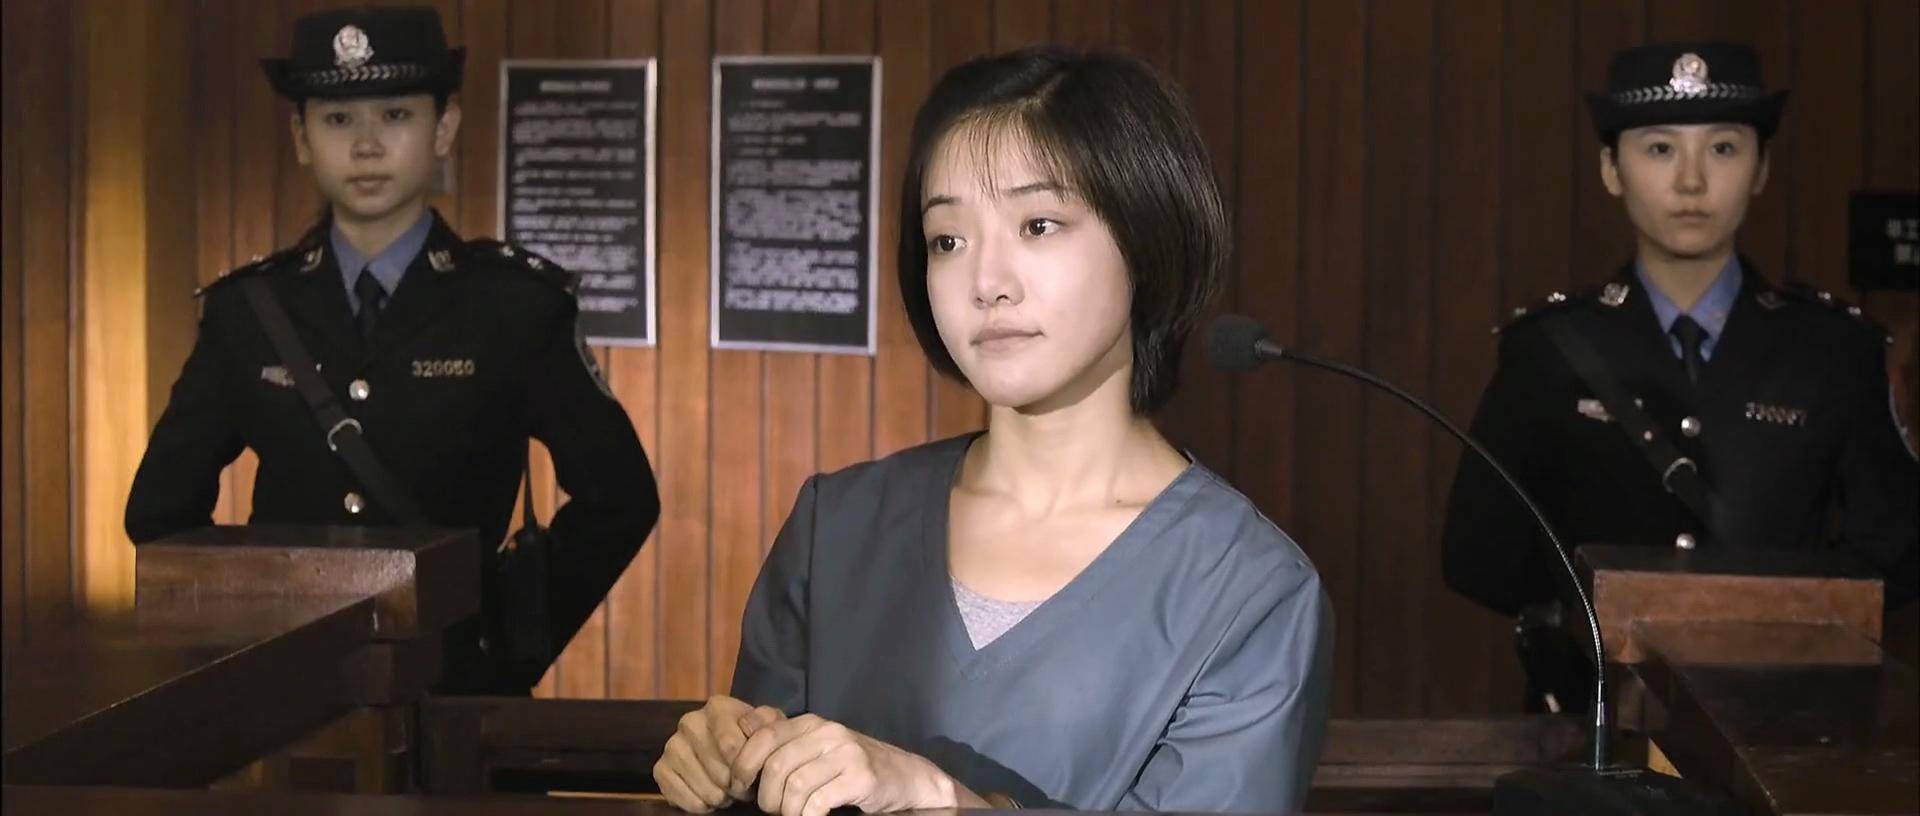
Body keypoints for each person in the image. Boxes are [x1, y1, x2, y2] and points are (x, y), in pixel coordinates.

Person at [651, 47, 1333, 815]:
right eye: (948, 240)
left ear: (1147, 238)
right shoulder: (834, 525)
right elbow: (767, 785)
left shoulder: (1252, 592)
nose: (987, 283)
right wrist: (723, 764)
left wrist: (941, 797)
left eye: (1038, 224)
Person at [124, 6, 659, 695]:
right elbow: (158, 513)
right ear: (301, 137)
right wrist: (242, 630)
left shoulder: (514, 308)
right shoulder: (249, 312)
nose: (367, 145)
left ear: (444, 128)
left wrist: (507, 637)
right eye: (338, 119)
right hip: (282, 695)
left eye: (396, 115)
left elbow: (621, 498)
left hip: (455, 690)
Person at [1440, 42, 1919, 712]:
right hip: (1591, 723)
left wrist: (1772, 623)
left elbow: (1896, 549)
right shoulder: (1549, 349)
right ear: (1612, 169)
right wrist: (1597, 617)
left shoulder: (1835, 349)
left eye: (1722, 149)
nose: (1692, 182)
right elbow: (1477, 553)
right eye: (1660, 149)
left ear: (1761, 168)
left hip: (1782, 722)